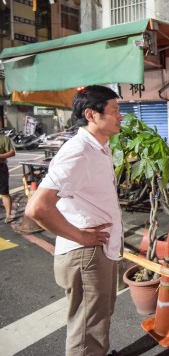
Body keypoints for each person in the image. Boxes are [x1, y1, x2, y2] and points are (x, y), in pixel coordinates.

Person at [25, 85, 123, 356]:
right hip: (86, 254)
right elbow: (38, 208)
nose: (121, 116)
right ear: (92, 114)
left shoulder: (98, 149)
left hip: (98, 251)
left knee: (97, 318)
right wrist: (82, 237)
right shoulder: (78, 151)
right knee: (85, 330)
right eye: (115, 111)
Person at [0, 131, 15, 223]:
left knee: (4, 192)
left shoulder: (4, 139)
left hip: (1, 168)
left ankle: (8, 215)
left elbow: (12, 152)